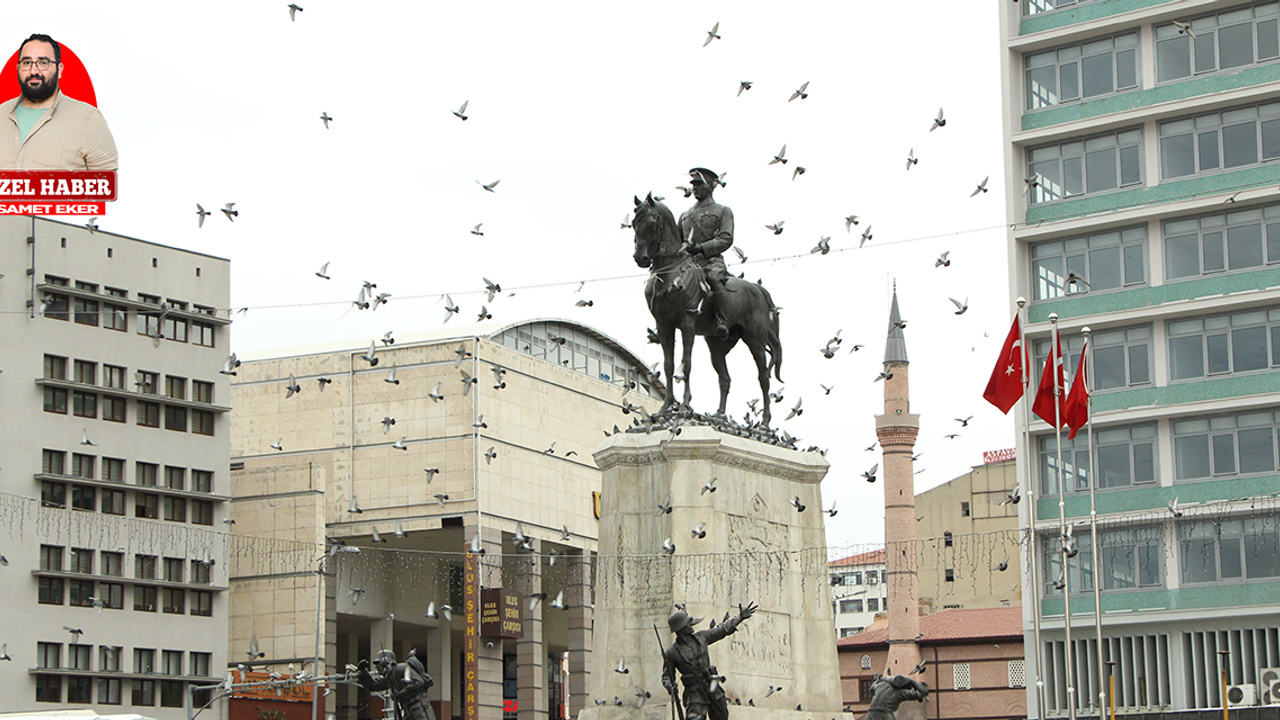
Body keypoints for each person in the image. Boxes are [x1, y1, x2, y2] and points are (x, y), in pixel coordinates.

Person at [1, 34, 118, 170]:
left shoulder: (88, 119)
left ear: (59, 69)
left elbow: (106, 186)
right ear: (18, 68)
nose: (33, 71)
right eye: (26, 63)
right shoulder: (1, 113)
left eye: (43, 63)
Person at [661, 602, 756, 720]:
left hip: (711, 685)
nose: (691, 624)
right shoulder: (671, 652)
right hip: (694, 692)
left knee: (721, 716)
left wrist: (740, 618)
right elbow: (666, 676)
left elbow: (722, 630)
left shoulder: (702, 637)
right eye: (688, 623)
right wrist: (670, 686)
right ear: (681, 628)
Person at [678, 168, 733, 339]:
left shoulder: (722, 211)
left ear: (711, 186)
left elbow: (726, 238)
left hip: (711, 261)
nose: (695, 187)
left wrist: (701, 248)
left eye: (699, 184)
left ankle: (722, 320)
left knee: (714, 278)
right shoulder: (684, 216)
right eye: (693, 184)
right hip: (688, 265)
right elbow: (677, 244)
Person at [357, 649, 436, 720]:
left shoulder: (401, 668)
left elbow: (418, 682)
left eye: (378, 663)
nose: (377, 667)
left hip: (420, 710)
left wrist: (400, 694)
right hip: (409, 712)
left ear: (386, 661)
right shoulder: (390, 677)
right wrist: (363, 672)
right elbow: (372, 685)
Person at [864, 674, 930, 720]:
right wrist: (911, 681)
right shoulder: (900, 693)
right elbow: (924, 692)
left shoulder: (881, 685)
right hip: (885, 716)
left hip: (870, 715)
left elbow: (871, 688)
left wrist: (878, 681)